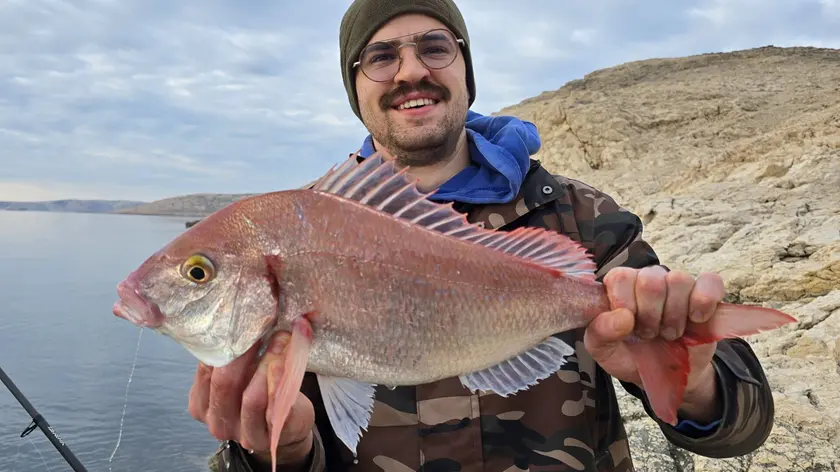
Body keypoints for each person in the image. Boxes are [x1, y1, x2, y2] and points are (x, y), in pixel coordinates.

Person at [193, 1, 776, 470]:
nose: (411, 70)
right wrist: (281, 453)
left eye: (435, 47)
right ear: (356, 89)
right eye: (379, 56)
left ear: (465, 69)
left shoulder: (585, 217)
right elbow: (301, 444)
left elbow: (741, 429)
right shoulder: (299, 233)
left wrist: (694, 384)